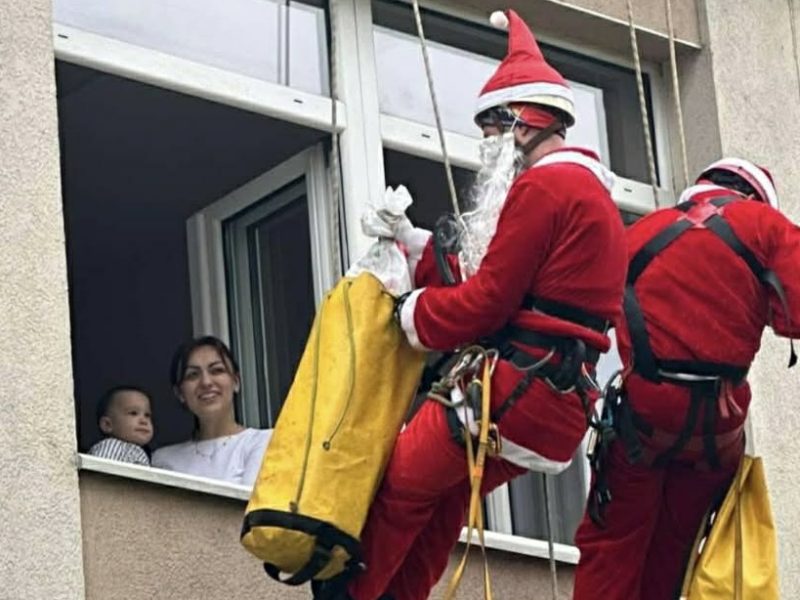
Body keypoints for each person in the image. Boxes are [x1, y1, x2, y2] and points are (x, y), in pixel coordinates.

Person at [340, 10, 628, 600]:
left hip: (514, 392)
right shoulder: (593, 196)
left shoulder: (545, 187)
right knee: (443, 502)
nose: (488, 144)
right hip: (558, 404)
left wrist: (411, 314)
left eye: (493, 129)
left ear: (524, 123)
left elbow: (488, 300)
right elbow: (504, 277)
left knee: (398, 485)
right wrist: (417, 245)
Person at [573, 158, 800, 600]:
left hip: (646, 417)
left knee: (613, 545)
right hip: (717, 429)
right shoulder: (767, 229)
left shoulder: (638, 234)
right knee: (674, 553)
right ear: (755, 197)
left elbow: (583, 313)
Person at [152, 336, 271, 487]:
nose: (206, 382)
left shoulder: (263, 442)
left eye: (217, 370)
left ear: (236, 382)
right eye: (193, 375)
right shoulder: (163, 460)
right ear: (180, 393)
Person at [89, 385, 154, 465]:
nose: (144, 421)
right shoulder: (111, 446)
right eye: (133, 413)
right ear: (107, 425)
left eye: (147, 415)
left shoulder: (139, 451)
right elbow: (101, 469)